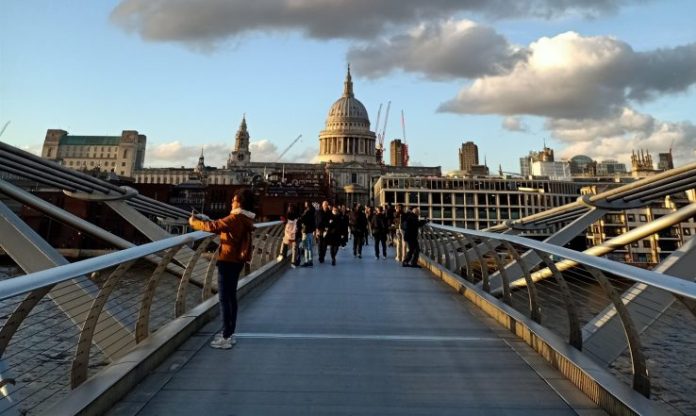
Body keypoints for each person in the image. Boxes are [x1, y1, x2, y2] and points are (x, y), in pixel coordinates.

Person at [189, 189, 256, 349]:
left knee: (224, 298)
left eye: (233, 199)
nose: (231, 202)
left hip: (227, 260)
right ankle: (229, 333)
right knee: (231, 297)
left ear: (239, 202)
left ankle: (225, 337)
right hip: (237, 261)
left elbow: (213, 226)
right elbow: (222, 225)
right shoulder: (245, 218)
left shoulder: (235, 218)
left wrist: (194, 223)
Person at [300, 200, 316, 267]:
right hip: (310, 231)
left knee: (306, 247)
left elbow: (302, 219)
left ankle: (307, 261)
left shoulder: (307, 212)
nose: (305, 204)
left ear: (307, 204)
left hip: (306, 231)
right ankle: (311, 261)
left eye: (305, 203)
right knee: (310, 247)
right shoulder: (313, 211)